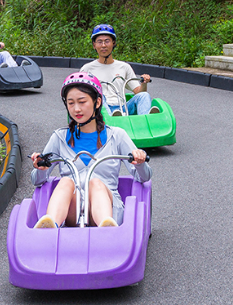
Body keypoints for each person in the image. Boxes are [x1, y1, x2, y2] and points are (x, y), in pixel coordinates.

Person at [30, 72, 150, 229]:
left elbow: (144, 177)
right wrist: (40, 169)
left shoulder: (117, 135)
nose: (76, 109)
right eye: (71, 103)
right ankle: (50, 227)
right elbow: (37, 181)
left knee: (96, 184)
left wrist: (139, 162)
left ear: (98, 102)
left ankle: (107, 228)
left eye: (82, 102)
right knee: (65, 181)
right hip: (73, 212)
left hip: (109, 208)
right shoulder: (59, 137)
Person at [80, 24, 159, 116]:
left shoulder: (124, 67)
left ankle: (146, 121)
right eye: (100, 42)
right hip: (100, 110)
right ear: (94, 45)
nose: (103, 45)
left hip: (122, 107)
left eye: (107, 41)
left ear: (113, 43)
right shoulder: (87, 69)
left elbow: (138, 92)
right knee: (99, 95)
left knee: (144, 96)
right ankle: (111, 118)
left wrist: (144, 83)